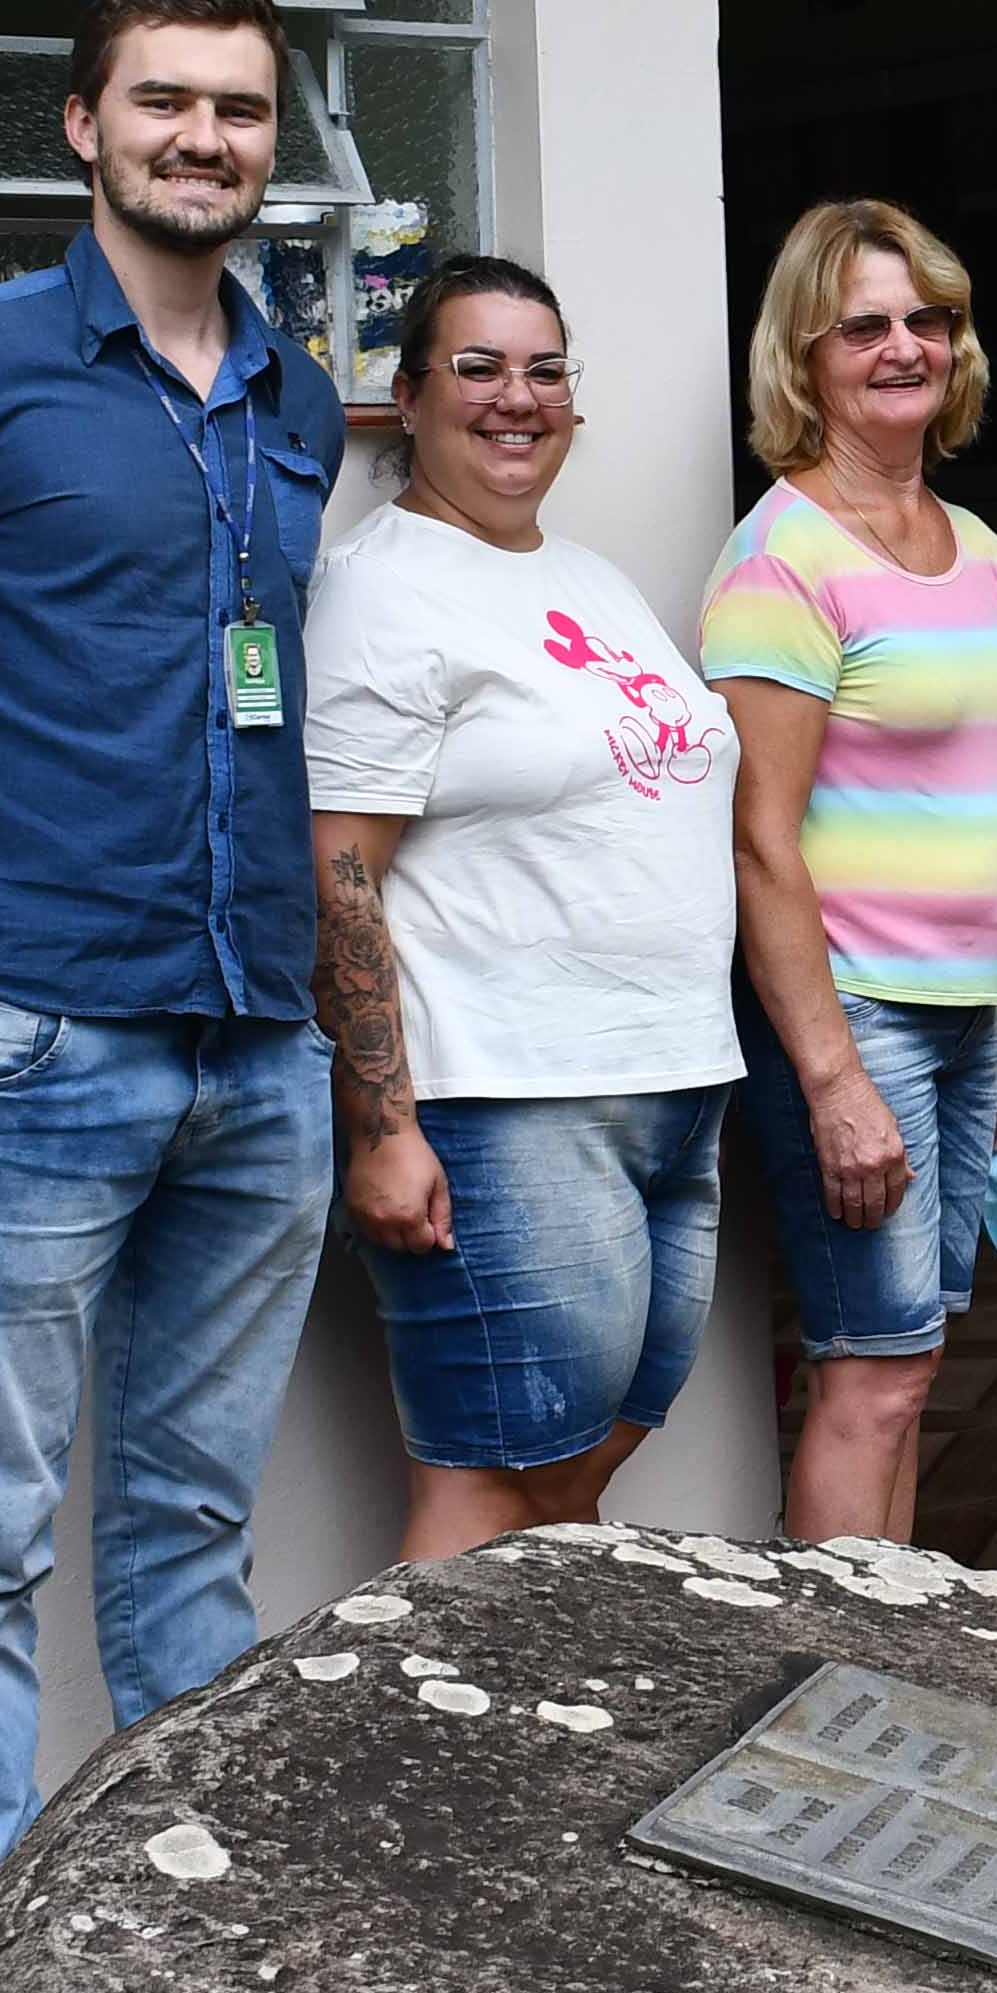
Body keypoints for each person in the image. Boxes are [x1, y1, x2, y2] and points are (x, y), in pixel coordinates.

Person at [0, 0, 343, 1942]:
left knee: (195, 1524)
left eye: (240, 107)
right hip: (34, 1043)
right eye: (165, 99)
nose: (204, 136)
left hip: (257, 1047)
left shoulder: (295, 392)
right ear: (84, 125)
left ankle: (183, 1941)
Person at [304, 255, 742, 1564]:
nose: (519, 398)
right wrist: (380, 1127)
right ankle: (421, 1760)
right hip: (504, 1102)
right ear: (408, 397)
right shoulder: (388, 586)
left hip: (668, 1086)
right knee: (492, 1488)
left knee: (565, 1480)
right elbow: (335, 875)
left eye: (545, 370)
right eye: (480, 367)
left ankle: (513, 1757)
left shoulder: (590, 580)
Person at [705, 200, 997, 1546]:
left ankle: (895, 1666)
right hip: (855, 1015)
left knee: (907, 1374)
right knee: (872, 1368)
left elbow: (995, 809)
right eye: (866, 326)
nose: (905, 346)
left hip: (964, 1013)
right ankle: (829, 1714)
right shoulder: (781, 557)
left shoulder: (975, 548)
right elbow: (757, 840)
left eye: (930, 319)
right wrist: (835, 1078)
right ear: (807, 355)